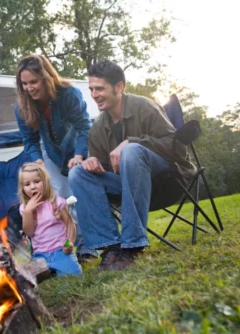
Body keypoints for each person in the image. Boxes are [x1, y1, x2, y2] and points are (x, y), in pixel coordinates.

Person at [68, 60, 195, 270]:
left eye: (100, 88)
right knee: (77, 173)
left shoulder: (143, 106)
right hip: (128, 188)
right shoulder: (98, 127)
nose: (94, 94)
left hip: (166, 182)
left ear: (119, 87)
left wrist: (132, 142)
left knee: (131, 151)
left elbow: (177, 149)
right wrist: (92, 163)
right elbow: (105, 171)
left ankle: (132, 246)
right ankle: (111, 247)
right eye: (91, 89)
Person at [14, 54, 98, 260]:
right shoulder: (21, 107)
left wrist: (79, 155)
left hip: (79, 148)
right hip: (51, 154)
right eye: (24, 84)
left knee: (78, 192)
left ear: (47, 78)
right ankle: (66, 247)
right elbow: (30, 140)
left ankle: (89, 248)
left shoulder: (69, 94)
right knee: (60, 198)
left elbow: (84, 127)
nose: (29, 88)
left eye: (34, 82)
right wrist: (38, 161)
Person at [18, 162, 82, 276]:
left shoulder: (56, 201)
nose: (32, 186)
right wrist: (28, 211)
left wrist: (70, 242)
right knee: (28, 279)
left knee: (74, 274)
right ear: (22, 188)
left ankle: (58, 269)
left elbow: (69, 224)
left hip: (60, 251)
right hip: (40, 254)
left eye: (37, 181)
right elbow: (29, 232)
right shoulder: (24, 208)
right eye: (27, 184)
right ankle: (51, 271)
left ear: (46, 182)